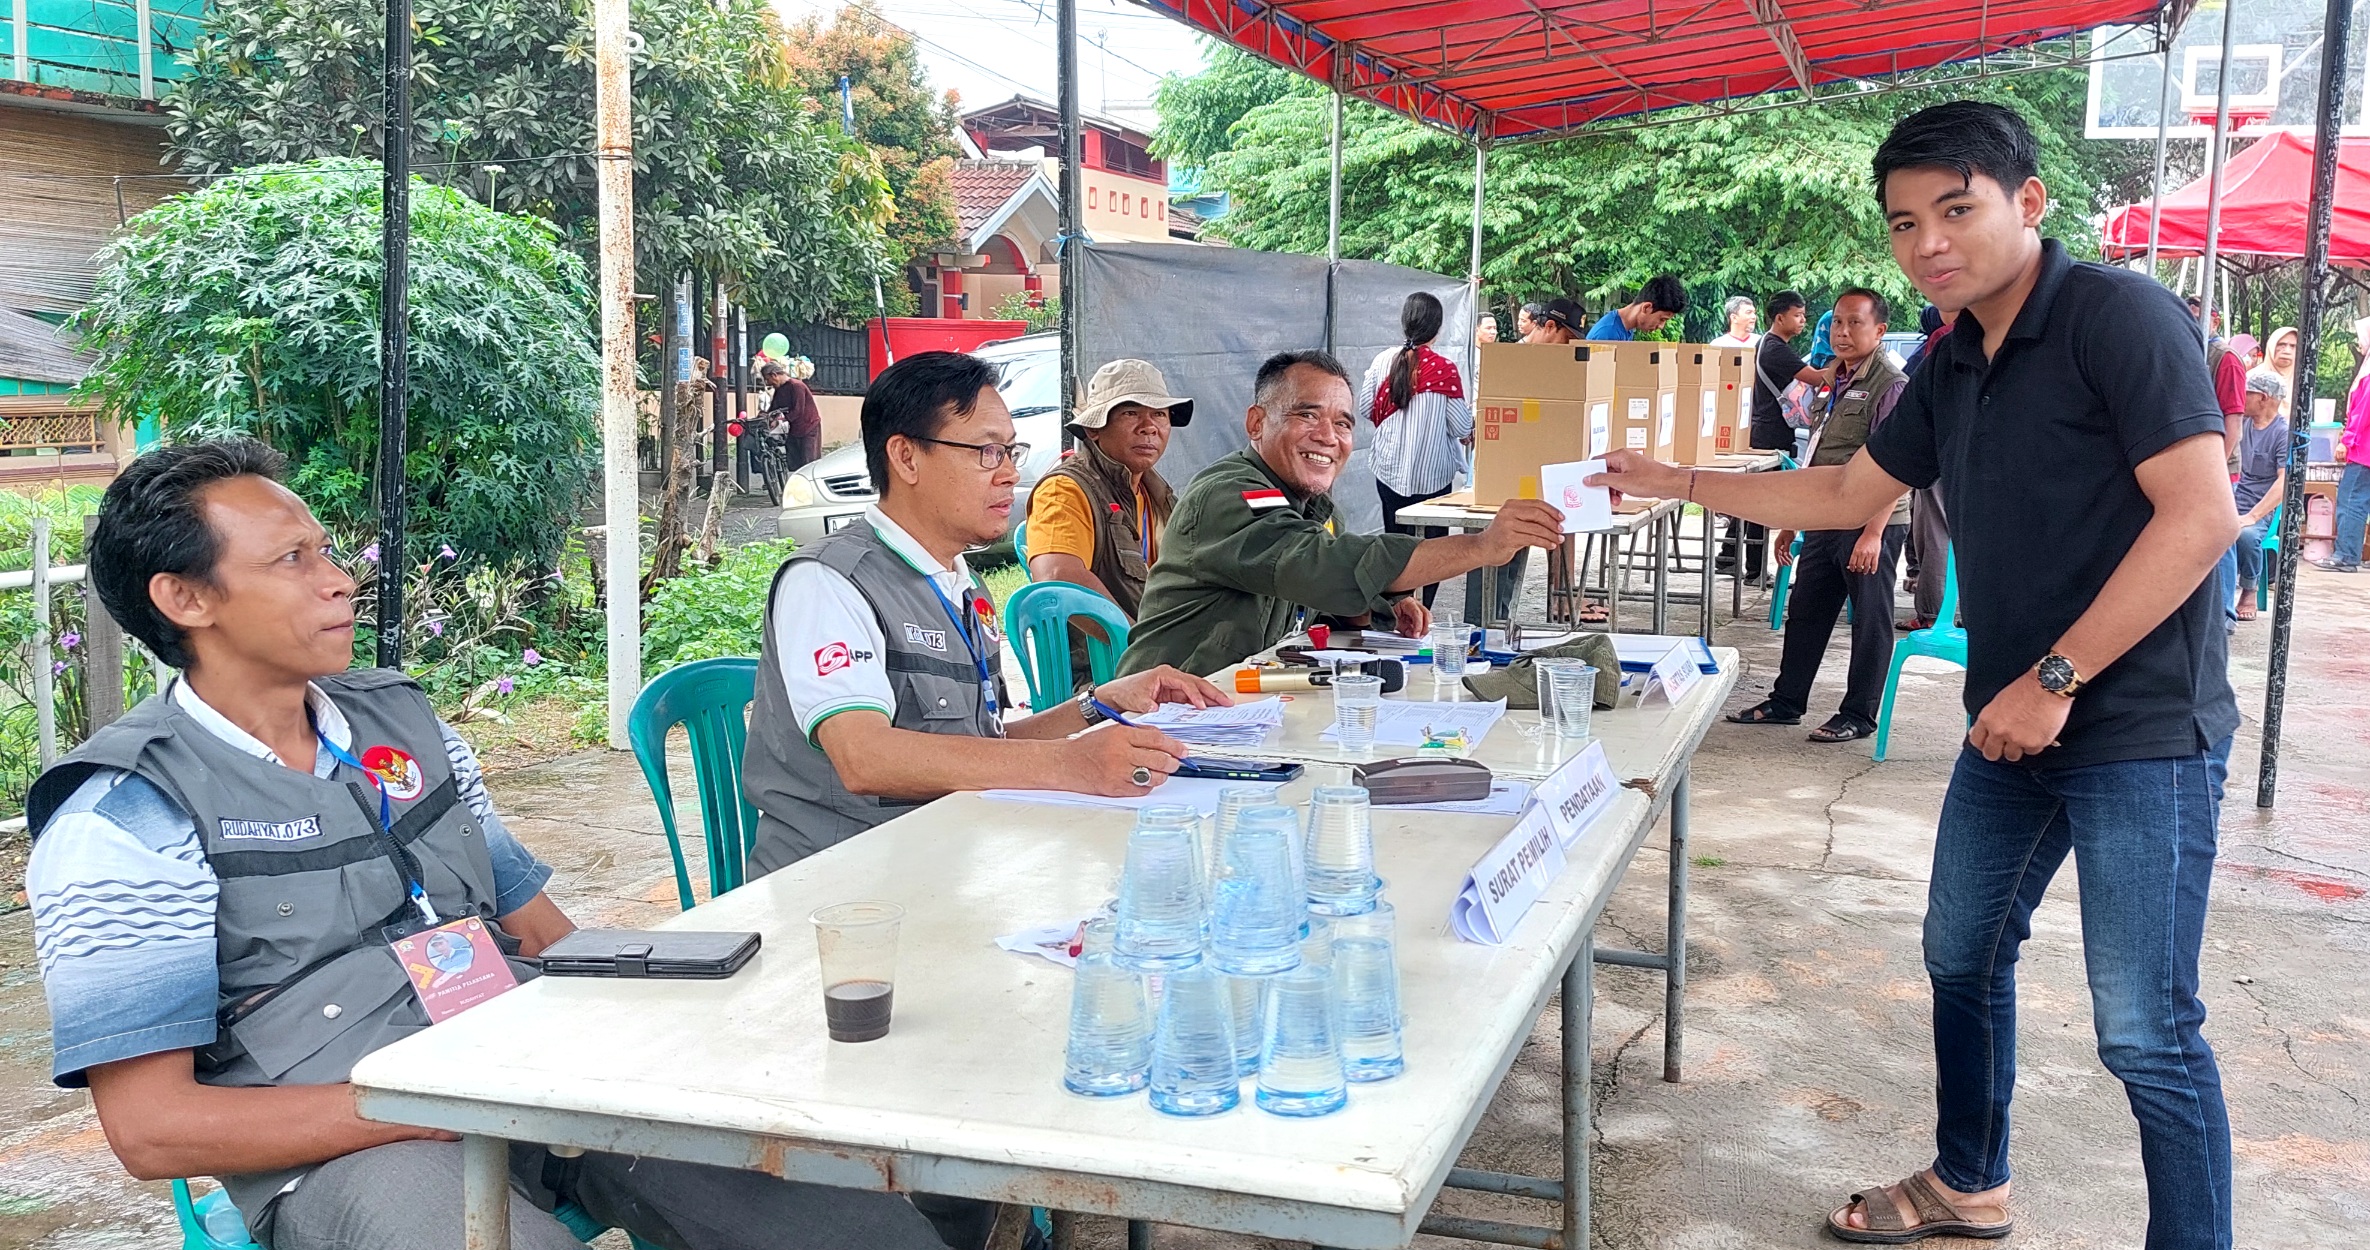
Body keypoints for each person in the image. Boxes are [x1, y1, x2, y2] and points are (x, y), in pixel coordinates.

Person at [25, 440, 995, 1250]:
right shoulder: (126, 812)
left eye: (328, 550)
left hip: (532, 1065)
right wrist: (435, 1102)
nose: (337, 579)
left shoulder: (402, 723)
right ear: (185, 599)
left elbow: (530, 913)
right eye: (291, 562)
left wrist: (670, 1028)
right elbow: (152, 1129)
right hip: (355, 1138)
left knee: (853, 1223)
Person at [1594, 100, 2239, 1247]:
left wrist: (2057, 675)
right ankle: (1969, 1179)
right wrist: (1676, 478)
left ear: (2028, 202)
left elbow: (2200, 519)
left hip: (2137, 719)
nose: (1927, 242)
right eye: (1903, 223)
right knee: (1961, 949)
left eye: (1955, 209)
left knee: (2145, 1025)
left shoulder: (2118, 318)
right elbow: (1847, 495)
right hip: (2015, 718)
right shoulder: (1949, 360)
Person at [743, 351, 1228, 873]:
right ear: (906, 458)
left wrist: (1099, 705)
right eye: (987, 452)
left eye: (1011, 451)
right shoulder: (830, 579)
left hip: (945, 860)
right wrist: (1072, 764)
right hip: (841, 887)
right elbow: (864, 756)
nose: (1010, 473)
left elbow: (979, 747)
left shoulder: (959, 581)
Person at [1120, 350, 1563, 678]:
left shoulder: (1311, 505)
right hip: (1158, 713)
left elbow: (1332, 590)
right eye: (1306, 415)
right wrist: (1482, 546)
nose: (1328, 436)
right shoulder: (1230, 495)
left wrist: (1384, 602)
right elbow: (1324, 566)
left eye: (1344, 423)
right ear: (1257, 423)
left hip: (1230, 704)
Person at [1726, 287, 1911, 742]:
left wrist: (1873, 533)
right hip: (1826, 516)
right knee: (1806, 610)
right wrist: (1794, 519)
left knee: (1870, 620)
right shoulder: (1835, 378)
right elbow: (1817, 451)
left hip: (1871, 521)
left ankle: (1858, 715)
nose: (1842, 332)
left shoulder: (1890, 384)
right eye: (1837, 323)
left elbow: (1899, 464)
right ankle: (1787, 701)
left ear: (1880, 330)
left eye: (1855, 323)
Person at [1024, 358, 1188, 689]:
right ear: (1094, 429)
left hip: (1159, 668)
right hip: (1102, 680)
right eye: (1130, 413)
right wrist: (1141, 655)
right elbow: (1058, 577)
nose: (1149, 426)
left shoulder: (1155, 494)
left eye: (1159, 414)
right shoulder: (1067, 488)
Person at [1357, 292, 1476, 608]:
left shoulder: (1383, 361)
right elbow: (1462, 428)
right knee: (1432, 554)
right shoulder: (1445, 369)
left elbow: (1367, 407)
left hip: (1388, 472)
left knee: (1396, 547)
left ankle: (1395, 609)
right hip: (1433, 481)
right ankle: (1420, 611)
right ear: (1437, 328)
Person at [1721, 291, 1831, 581]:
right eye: (1797, 315)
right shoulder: (1774, 348)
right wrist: (1843, 365)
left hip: (1770, 428)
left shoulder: (1770, 344)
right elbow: (1817, 378)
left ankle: (1730, 555)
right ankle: (1755, 569)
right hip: (1769, 431)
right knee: (1762, 499)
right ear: (1780, 318)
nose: (1802, 321)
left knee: (1756, 496)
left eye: (1804, 315)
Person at [1900, 302, 1958, 630]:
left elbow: (1916, 392)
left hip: (1938, 449)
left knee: (1934, 529)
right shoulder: (1994, 335)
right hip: (1977, 454)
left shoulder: (1942, 340)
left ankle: (1932, 613)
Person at [2230, 370, 2289, 620]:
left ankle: (2249, 589)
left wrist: (2253, 516)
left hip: (2264, 506)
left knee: (2246, 534)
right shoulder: (2241, 424)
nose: (2241, 398)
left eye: (2246, 393)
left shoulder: (2282, 432)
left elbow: (2284, 482)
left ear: (2263, 398)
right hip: (2234, 496)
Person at [2316, 315, 2370, 572]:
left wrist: (2346, 442)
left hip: (2364, 451)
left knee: (2351, 501)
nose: (2360, 343)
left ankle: (2346, 556)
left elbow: (2362, 413)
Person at [760, 359, 822, 470]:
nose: (768, 383)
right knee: (794, 459)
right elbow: (774, 408)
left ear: (774, 375)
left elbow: (798, 410)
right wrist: (767, 417)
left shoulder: (796, 386)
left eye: (768, 379)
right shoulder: (779, 389)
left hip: (809, 426)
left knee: (808, 461)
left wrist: (780, 420)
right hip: (794, 428)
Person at [1587, 274, 1687, 340]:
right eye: (1662, 319)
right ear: (1646, 307)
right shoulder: (1607, 334)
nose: (1661, 326)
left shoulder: (1626, 328)